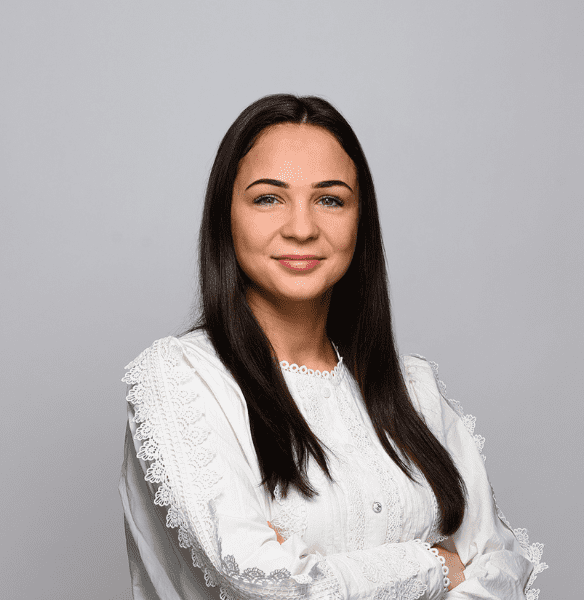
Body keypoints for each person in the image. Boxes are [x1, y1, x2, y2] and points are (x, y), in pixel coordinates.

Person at [118, 94, 547, 600]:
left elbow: (504, 569)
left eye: (330, 200)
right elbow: (265, 583)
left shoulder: (414, 389)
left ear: (360, 219)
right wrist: (436, 565)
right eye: (268, 198)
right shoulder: (180, 379)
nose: (301, 229)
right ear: (225, 217)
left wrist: (324, 570)